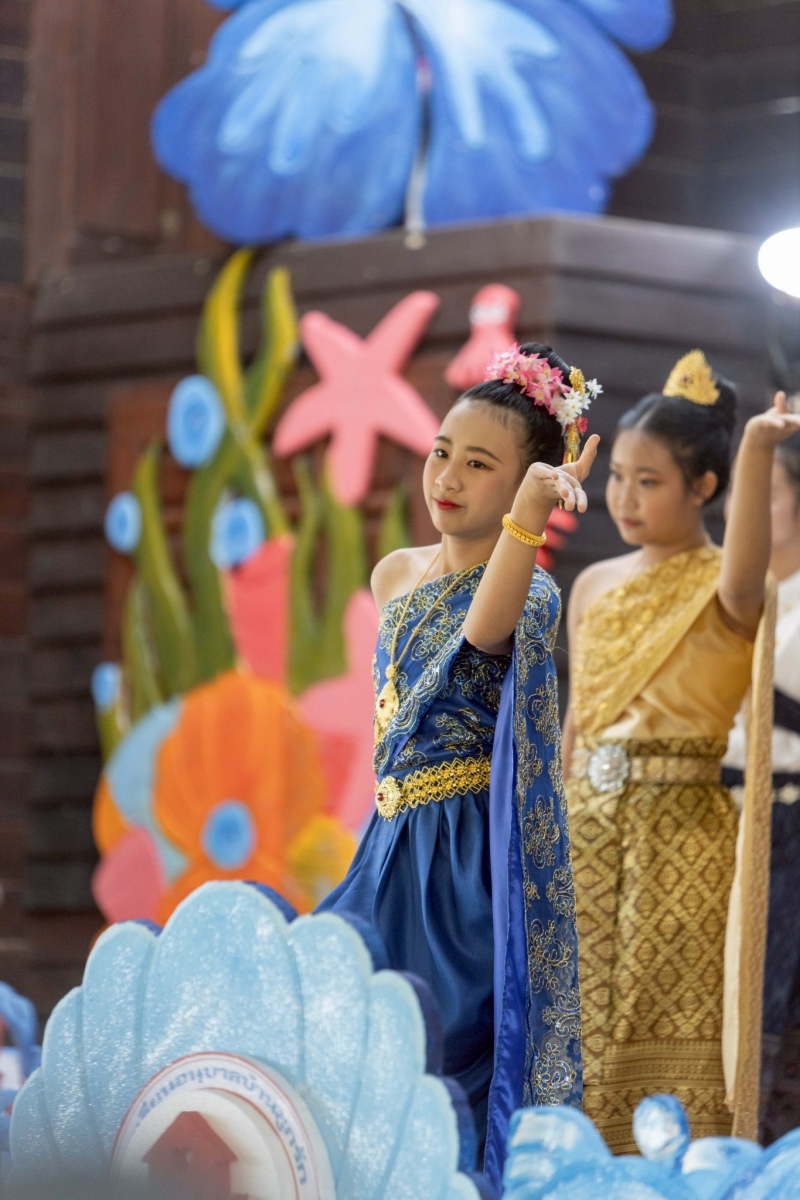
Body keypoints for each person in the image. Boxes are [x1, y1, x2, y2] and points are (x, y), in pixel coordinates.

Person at [318, 343, 601, 1186]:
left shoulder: (532, 593)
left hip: (461, 865)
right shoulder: (395, 573)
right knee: (345, 1040)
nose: (447, 476)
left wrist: (532, 518)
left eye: (480, 465)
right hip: (387, 844)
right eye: (443, 452)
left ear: (524, 485)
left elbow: (482, 629)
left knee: (442, 1063)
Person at [562, 350, 798, 1153]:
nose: (623, 498)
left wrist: (758, 446)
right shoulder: (593, 584)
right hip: (584, 836)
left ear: (704, 487)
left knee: (669, 1033)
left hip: (684, 841)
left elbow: (746, 570)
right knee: (573, 1036)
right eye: (616, 477)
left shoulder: (727, 587)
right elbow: (578, 724)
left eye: (648, 481)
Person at [722, 430, 800, 1143]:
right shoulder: (735, 597)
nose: (743, 509)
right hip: (721, 814)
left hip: (786, 823)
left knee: (770, 1014)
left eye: (767, 494)